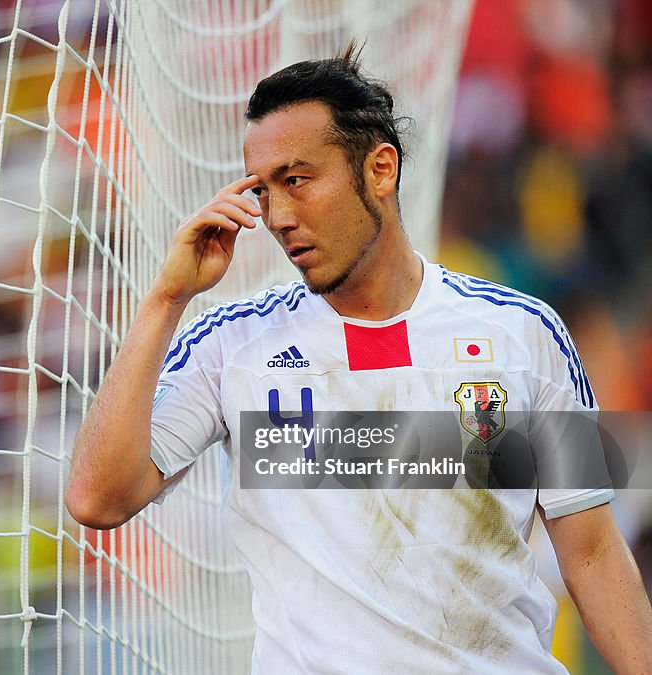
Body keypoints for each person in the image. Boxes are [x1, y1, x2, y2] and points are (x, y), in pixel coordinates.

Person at [65, 42, 652, 673]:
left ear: (380, 170)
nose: (279, 216)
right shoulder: (229, 345)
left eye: (297, 181)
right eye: (262, 191)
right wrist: (165, 298)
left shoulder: (526, 332)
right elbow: (98, 501)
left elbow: (590, 551)